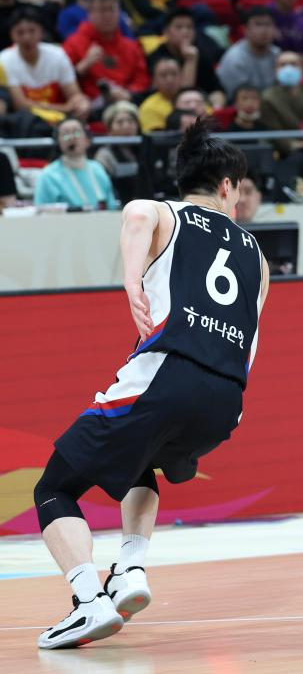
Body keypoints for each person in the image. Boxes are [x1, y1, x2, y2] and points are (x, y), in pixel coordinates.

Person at [33, 119, 269, 650]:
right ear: (227, 186)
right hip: (225, 400)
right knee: (143, 458)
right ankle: (131, 571)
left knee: (54, 487)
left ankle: (88, 601)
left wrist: (131, 279)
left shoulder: (168, 213)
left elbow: (137, 212)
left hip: (167, 374)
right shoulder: (256, 254)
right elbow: (252, 339)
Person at [62, 0, 149, 106]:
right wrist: (82, 67)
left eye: (112, 9)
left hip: (127, 103)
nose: (108, 15)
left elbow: (142, 78)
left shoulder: (131, 46)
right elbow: (61, 83)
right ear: (89, 13)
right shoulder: (73, 44)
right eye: (102, 10)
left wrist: (129, 93)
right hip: (89, 106)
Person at [2, 6, 90, 123]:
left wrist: (81, 103)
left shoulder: (58, 54)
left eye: (32, 31)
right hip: (25, 125)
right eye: (20, 32)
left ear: (41, 32)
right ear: (11, 35)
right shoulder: (4, 60)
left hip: (61, 122)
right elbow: (21, 105)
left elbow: (74, 94)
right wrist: (65, 108)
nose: (26, 37)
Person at [35, 116, 117, 209]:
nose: (71, 138)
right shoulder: (49, 175)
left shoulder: (97, 169)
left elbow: (111, 206)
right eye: (65, 134)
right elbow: (41, 210)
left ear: (88, 140)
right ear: (58, 142)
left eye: (77, 133)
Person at [215, 7, 279, 99]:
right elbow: (240, 98)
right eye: (258, 24)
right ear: (245, 29)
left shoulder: (278, 54)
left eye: (268, 24)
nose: (264, 30)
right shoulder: (235, 58)